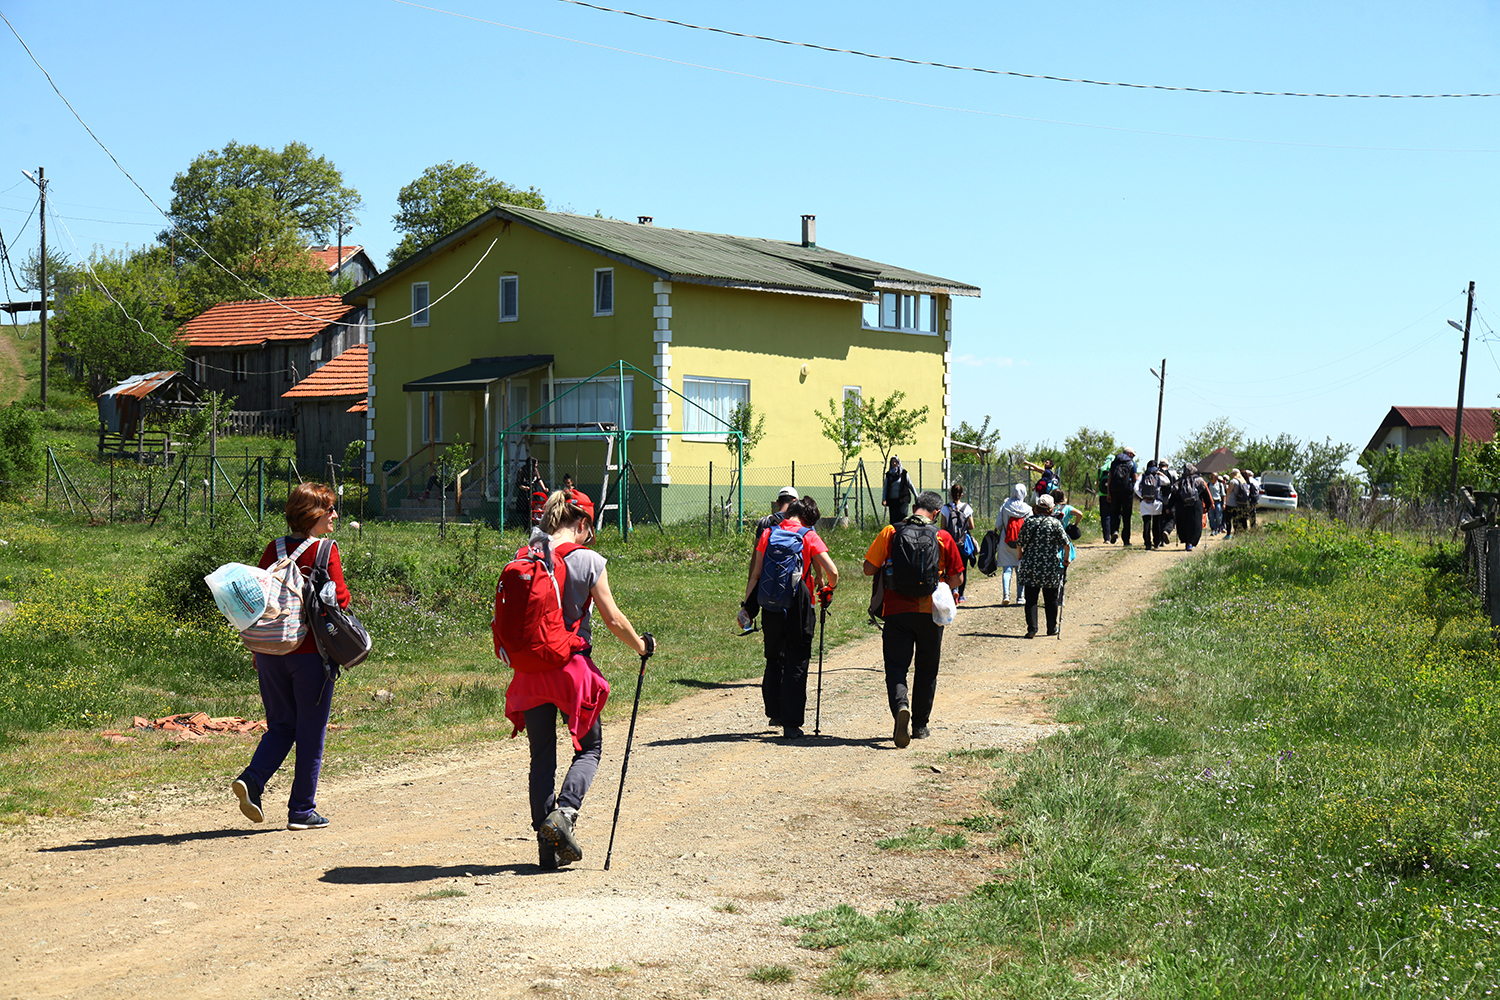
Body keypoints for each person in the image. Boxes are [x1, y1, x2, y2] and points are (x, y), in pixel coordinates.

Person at [504, 488, 653, 869]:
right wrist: (641, 646)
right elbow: (613, 619)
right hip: (570, 670)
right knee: (590, 748)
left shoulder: (526, 555)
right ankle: (564, 815)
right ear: (583, 524)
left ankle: (546, 844)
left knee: (542, 757)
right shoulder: (588, 560)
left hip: (530, 672)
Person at [232, 482, 349, 831]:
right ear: (314, 514)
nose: (335, 515)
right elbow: (340, 600)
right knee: (311, 733)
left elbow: (256, 601)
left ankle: (252, 780)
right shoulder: (326, 551)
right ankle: (301, 810)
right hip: (310, 655)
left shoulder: (275, 548)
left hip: (268, 652)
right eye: (329, 509)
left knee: (282, 725)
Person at [863, 491, 964, 747]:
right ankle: (920, 725)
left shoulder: (891, 532)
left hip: (896, 610)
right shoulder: (942, 537)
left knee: (896, 666)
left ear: (915, 507)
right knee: (927, 669)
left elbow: (868, 569)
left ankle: (900, 706)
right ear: (937, 513)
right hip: (930, 612)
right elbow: (957, 578)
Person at [744, 496, 838, 739]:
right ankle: (792, 724)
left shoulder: (768, 533)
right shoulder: (808, 535)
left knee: (774, 658)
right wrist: (829, 587)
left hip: (771, 604)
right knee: (797, 659)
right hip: (799, 604)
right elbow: (833, 571)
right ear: (807, 518)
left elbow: (755, 574)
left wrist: (747, 606)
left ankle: (774, 712)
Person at [1017, 493, 1070, 638]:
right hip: (1050, 567)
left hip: (1030, 566)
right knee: (1051, 598)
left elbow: (1019, 543)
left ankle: (1032, 629)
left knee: (1031, 598)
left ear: (1036, 508)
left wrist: (1021, 555)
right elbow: (1066, 545)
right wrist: (1066, 560)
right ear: (1051, 509)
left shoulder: (1029, 522)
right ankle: (1052, 627)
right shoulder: (1055, 524)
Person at [994, 484, 1031, 606]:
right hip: (1022, 543)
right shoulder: (1028, 509)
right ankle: (1020, 597)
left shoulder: (1005, 506)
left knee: (1007, 569)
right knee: (1020, 570)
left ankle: (1006, 595)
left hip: (1006, 541)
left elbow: (998, 525)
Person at [940, 483, 976, 604]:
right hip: (963, 543)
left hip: (950, 543)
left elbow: (943, 527)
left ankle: (952, 589)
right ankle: (961, 595)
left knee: (950, 567)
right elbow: (971, 526)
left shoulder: (945, 509)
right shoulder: (967, 508)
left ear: (950, 494)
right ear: (962, 495)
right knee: (963, 568)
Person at [1174, 463, 1212, 552]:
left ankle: (1186, 541)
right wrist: (1208, 505)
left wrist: (1170, 506)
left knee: (1184, 523)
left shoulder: (1179, 481)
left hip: (1182, 506)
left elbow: (1174, 495)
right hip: (1196, 505)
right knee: (1195, 524)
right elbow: (1205, 494)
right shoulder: (1199, 480)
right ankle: (1191, 543)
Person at [1105, 448, 1138, 545]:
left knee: (1115, 513)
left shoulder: (1114, 463)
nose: (1133, 457)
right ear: (1129, 454)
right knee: (1127, 516)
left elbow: (1109, 478)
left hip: (1114, 491)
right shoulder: (1132, 464)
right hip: (1127, 492)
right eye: (1133, 454)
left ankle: (1114, 531)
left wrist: (1109, 493)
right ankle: (1126, 540)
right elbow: (1135, 478)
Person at [1136, 461, 1169, 551]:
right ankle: (1156, 542)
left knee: (1146, 523)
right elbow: (1167, 481)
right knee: (1156, 523)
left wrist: (1142, 496)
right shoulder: (1157, 476)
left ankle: (1147, 544)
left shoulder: (1142, 476)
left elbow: (1135, 488)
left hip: (1145, 503)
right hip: (1156, 503)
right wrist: (1160, 473)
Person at [882, 456, 915, 524]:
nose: (894, 463)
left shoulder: (904, 473)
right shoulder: (888, 474)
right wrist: (884, 499)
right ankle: (894, 533)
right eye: (892, 462)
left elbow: (910, 485)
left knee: (902, 518)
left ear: (898, 463)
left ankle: (903, 533)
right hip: (892, 501)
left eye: (896, 462)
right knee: (893, 520)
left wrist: (916, 495)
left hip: (903, 499)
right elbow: (885, 488)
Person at [1097, 456, 1117, 545]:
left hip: (1102, 495)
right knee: (1114, 515)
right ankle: (1114, 533)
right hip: (1113, 495)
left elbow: (1098, 483)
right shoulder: (1115, 467)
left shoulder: (1101, 469)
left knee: (1105, 516)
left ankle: (1106, 538)